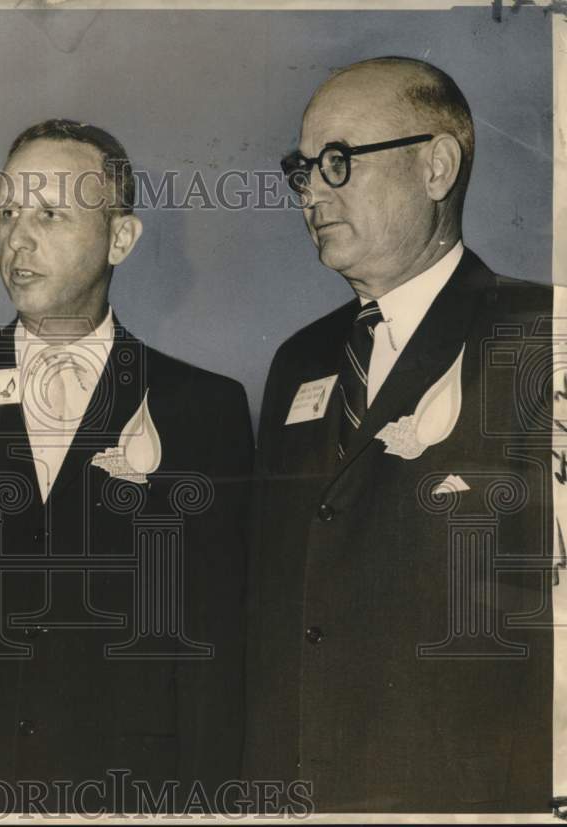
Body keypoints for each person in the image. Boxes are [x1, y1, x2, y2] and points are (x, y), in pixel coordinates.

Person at [0, 119, 253, 814]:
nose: (19, 239)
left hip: (125, 786)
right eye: (9, 212)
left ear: (121, 238)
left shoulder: (204, 408)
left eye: (51, 214)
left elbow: (216, 640)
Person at [243, 57, 552, 813]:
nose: (312, 190)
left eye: (339, 162)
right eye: (303, 168)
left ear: (436, 167)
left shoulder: (539, 338)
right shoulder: (300, 360)